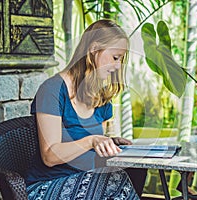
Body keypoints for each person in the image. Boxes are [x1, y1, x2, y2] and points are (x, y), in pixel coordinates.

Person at [25, 19, 147, 199]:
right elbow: (50, 156)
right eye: (115, 58)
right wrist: (91, 141)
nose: (118, 66)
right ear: (93, 50)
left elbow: (91, 148)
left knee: (135, 171)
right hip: (47, 186)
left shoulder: (101, 96)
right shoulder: (51, 90)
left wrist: (109, 142)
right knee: (114, 179)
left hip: (88, 180)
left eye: (121, 59)